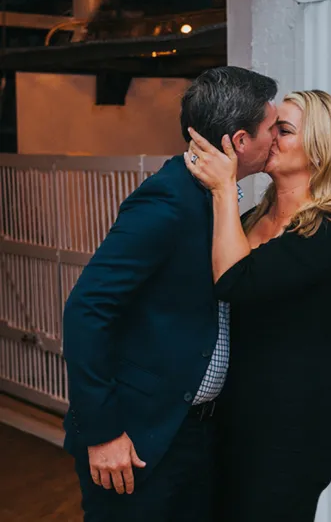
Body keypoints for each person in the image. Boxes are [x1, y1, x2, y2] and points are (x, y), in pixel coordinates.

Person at [62, 66, 278, 522]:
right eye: (271, 129)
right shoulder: (168, 200)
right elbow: (87, 309)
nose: (276, 139)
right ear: (240, 141)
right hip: (138, 438)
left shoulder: (220, 198)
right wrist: (102, 434)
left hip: (191, 430)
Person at [184, 89, 331, 521]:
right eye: (271, 129)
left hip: (288, 431)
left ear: (322, 151)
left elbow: (234, 281)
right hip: (233, 417)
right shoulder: (252, 219)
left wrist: (221, 188)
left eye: (283, 130)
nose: (269, 138)